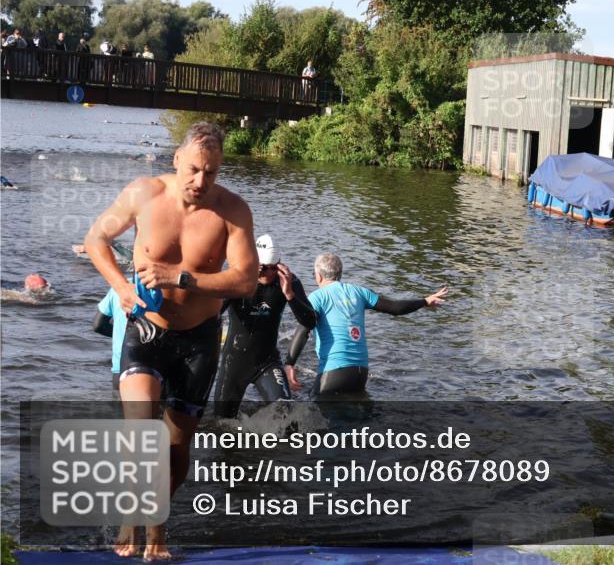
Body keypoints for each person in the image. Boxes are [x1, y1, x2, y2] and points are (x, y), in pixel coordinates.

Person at [83, 121, 257, 560]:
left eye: (212, 173)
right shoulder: (143, 193)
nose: (201, 181)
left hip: (198, 341)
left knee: (178, 451)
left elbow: (246, 281)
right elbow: (96, 238)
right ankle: (152, 535)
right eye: (195, 169)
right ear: (177, 160)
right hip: (145, 330)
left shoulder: (233, 211)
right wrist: (122, 290)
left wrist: (182, 278)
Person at [284, 253, 447, 397]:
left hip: (333, 371)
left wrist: (289, 364)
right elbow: (395, 308)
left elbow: (304, 328)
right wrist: (424, 301)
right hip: (360, 373)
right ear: (339, 273)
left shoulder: (317, 297)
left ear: (318, 276)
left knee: (313, 419)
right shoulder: (360, 292)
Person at [214, 234, 316, 418]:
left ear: (278, 265)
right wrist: (238, 284)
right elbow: (213, 314)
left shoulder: (289, 282)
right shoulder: (238, 278)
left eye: (270, 268)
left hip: (267, 361)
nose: (264, 273)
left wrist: (290, 295)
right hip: (234, 362)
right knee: (221, 422)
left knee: (286, 414)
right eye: (260, 268)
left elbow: (310, 321)